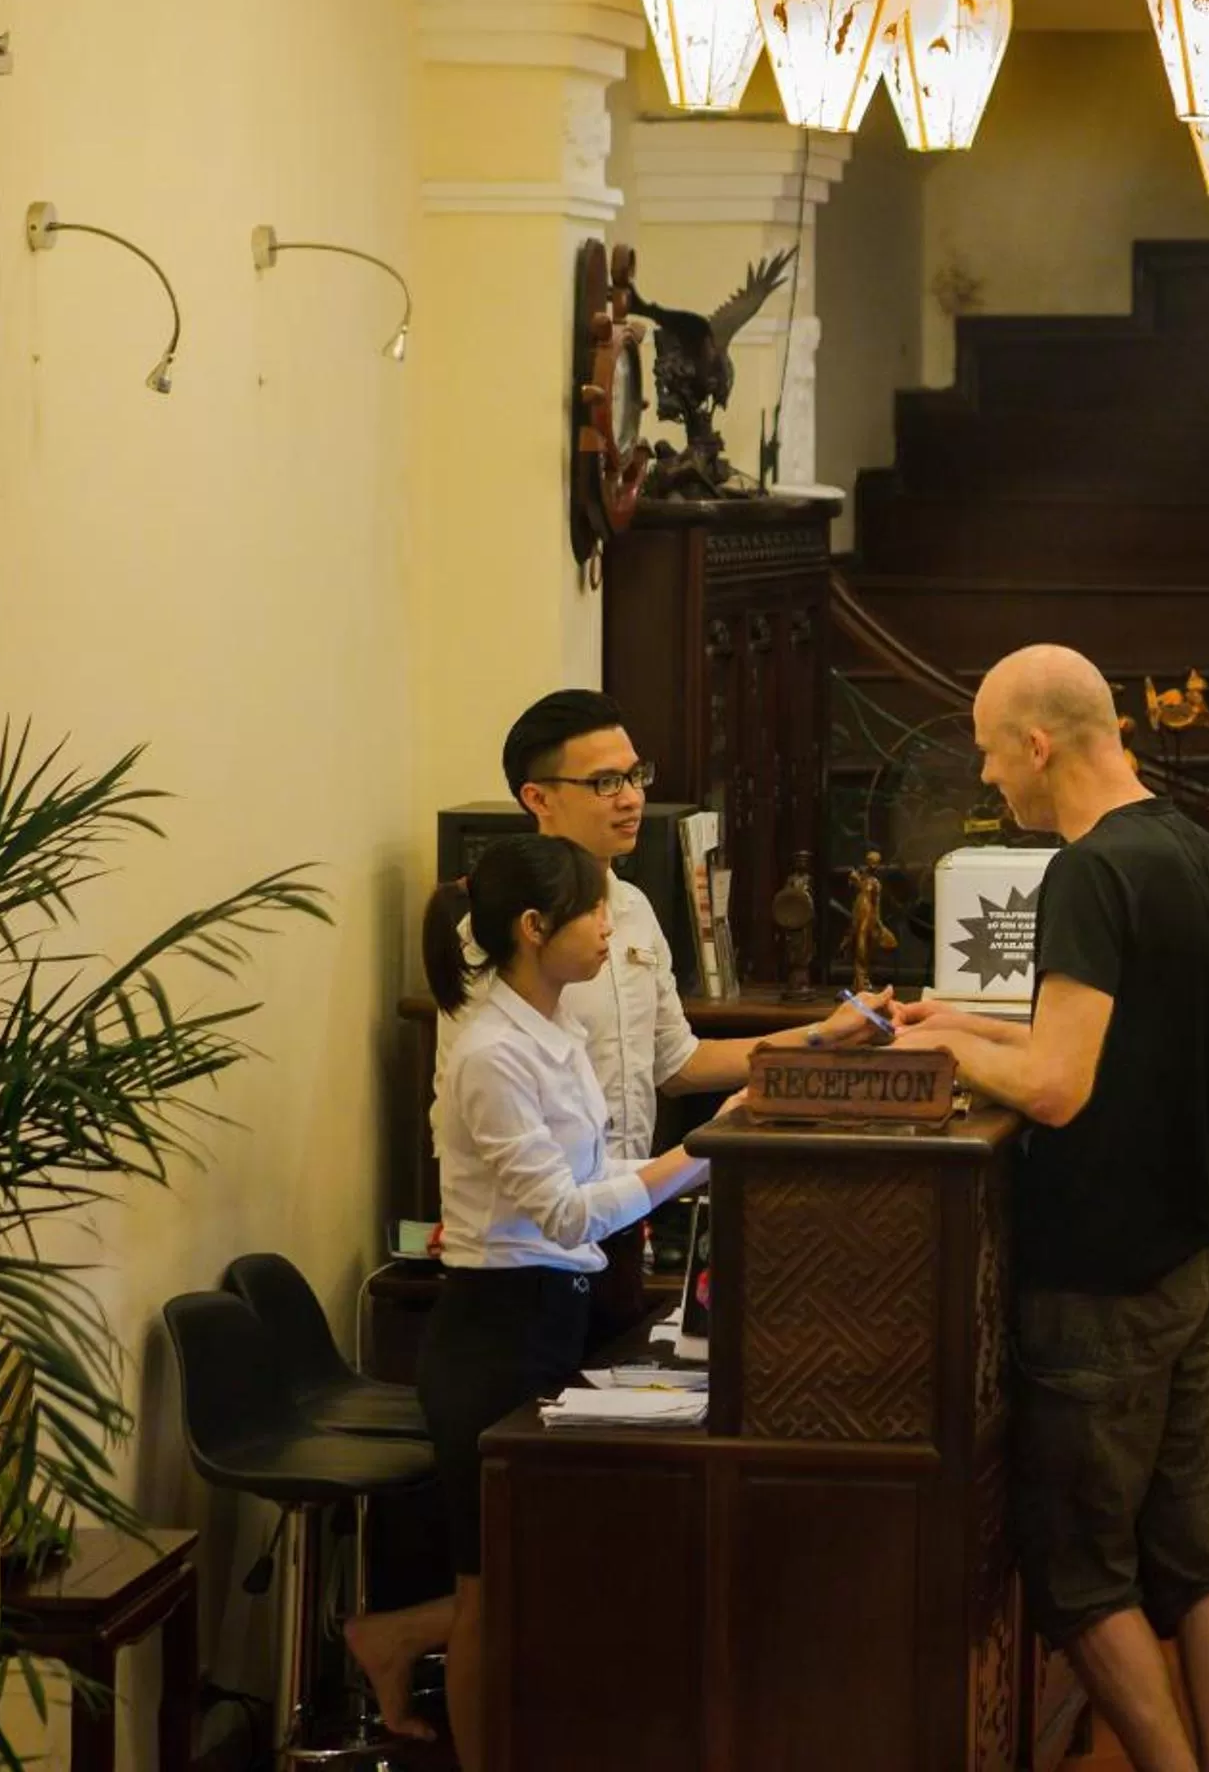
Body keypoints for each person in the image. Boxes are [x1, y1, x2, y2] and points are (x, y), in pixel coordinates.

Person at [891, 644, 1209, 1772]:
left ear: (1039, 745)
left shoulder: (1089, 872)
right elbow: (1112, 1034)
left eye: (993, 758)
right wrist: (959, 1026)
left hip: (1105, 1272)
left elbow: (1059, 1085)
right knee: (1198, 1556)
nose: (991, 784)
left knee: (1080, 1572)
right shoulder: (1194, 852)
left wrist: (949, 1061)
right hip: (1199, 1246)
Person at [349, 835, 697, 1764]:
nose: (608, 929)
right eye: (594, 913)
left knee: (532, 1574)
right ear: (535, 927)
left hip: (554, 1309)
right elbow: (563, 1211)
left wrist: (684, 1167)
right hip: (494, 1331)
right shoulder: (489, 1053)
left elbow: (592, 1173)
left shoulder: (556, 1032)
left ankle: (393, 1638)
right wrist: (696, 1158)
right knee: (491, 1593)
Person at [432, 691, 891, 1287]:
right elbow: (489, 1097)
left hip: (624, 1216)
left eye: (634, 775)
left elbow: (676, 1062)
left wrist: (822, 1037)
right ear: (537, 797)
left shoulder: (634, 907)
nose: (629, 798)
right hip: (532, 1245)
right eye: (603, 782)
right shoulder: (500, 934)